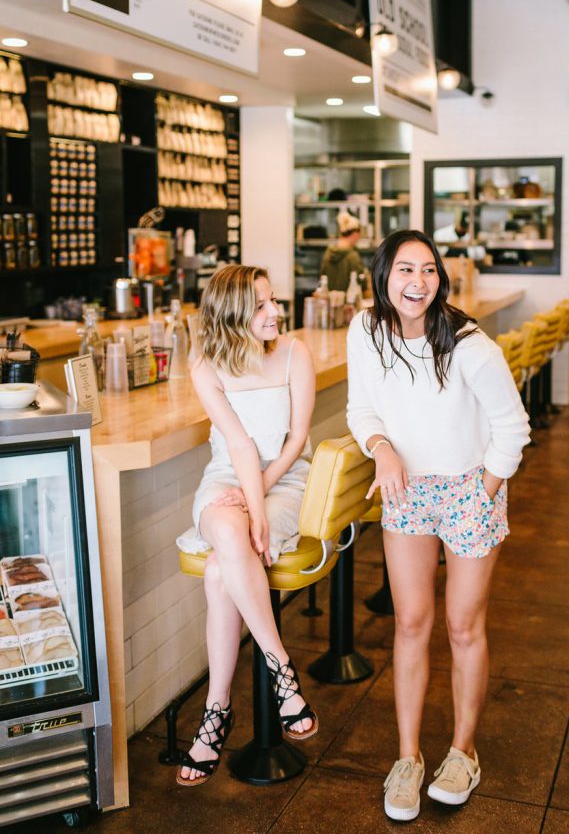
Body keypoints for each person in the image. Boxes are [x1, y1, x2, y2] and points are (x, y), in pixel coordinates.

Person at [346, 230, 529, 821]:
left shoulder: (470, 344)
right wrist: (381, 448)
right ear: (384, 276)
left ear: (439, 280)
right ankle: (408, 759)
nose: (417, 282)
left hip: (469, 488)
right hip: (407, 489)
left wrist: (484, 491)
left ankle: (463, 752)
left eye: (428, 271)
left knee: (462, 626)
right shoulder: (365, 331)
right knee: (411, 623)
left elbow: (513, 428)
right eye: (404, 270)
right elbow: (361, 407)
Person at [175, 264, 318, 787]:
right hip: (226, 478)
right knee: (231, 531)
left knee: (220, 570)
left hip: (284, 477)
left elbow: (296, 438)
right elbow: (236, 445)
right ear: (233, 314)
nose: (275, 312)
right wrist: (250, 508)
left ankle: (216, 712)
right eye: (260, 305)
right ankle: (283, 671)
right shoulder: (205, 365)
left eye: (273, 300)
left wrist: (259, 500)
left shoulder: (294, 353)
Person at [320, 209, 366, 291]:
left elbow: (322, 278)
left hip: (330, 300)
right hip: (349, 301)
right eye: (359, 235)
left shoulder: (328, 252)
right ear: (355, 234)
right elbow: (361, 283)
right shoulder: (353, 256)